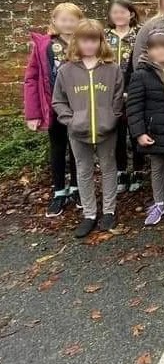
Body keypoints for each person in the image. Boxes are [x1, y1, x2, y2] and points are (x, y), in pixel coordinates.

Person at [51, 19, 124, 238]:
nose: (89, 45)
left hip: (106, 130)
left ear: (101, 42)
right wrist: (71, 120)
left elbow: (118, 98)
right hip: (78, 132)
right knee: (84, 171)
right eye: (85, 40)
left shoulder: (112, 69)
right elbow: (58, 101)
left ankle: (109, 211)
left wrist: (112, 118)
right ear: (77, 42)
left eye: (94, 40)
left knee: (109, 169)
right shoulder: (66, 70)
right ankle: (89, 214)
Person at [24, 2, 85, 217]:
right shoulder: (43, 45)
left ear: (80, 22)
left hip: (80, 107)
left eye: (72, 20)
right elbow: (31, 79)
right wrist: (33, 114)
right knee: (58, 149)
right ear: (55, 21)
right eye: (63, 20)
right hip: (54, 108)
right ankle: (59, 191)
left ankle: (78, 188)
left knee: (79, 149)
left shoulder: (84, 42)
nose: (68, 24)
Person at [126, 29, 164, 227]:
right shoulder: (141, 75)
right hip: (153, 132)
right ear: (149, 51)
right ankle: (159, 202)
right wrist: (139, 133)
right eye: (156, 48)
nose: (162, 53)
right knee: (157, 168)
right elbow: (133, 107)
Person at [105, 0, 144, 194]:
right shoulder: (104, 36)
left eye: (123, 11)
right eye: (115, 12)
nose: (119, 15)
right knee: (117, 134)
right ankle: (120, 171)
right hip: (110, 93)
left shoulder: (140, 34)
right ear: (111, 16)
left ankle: (138, 170)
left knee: (136, 130)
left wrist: (133, 89)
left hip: (134, 90)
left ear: (131, 14)